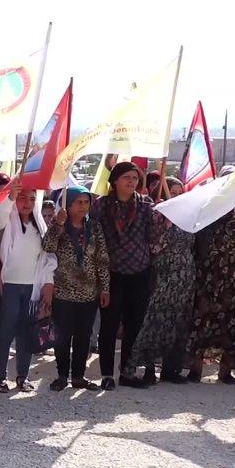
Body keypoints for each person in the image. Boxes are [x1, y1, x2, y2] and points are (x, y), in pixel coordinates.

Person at [89, 162, 160, 390]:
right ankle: (107, 374)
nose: (131, 182)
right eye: (127, 177)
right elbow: (93, 239)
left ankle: (128, 373)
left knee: (134, 325)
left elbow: (153, 237)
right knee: (109, 326)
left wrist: (160, 218)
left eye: (135, 178)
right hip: (111, 274)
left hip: (139, 272)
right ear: (115, 181)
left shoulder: (147, 206)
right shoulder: (101, 206)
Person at [0, 179, 55, 392]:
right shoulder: (8, 219)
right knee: (5, 332)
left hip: (32, 288)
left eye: (31, 199)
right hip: (9, 285)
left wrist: (48, 283)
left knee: (26, 332)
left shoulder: (40, 225)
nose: (27, 203)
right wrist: (10, 197)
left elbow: (47, 258)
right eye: (22, 197)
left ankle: (22, 376)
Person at [43, 186, 110, 391]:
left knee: (84, 336)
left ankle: (78, 377)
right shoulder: (59, 226)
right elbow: (47, 247)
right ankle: (62, 375)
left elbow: (102, 259)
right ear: (68, 204)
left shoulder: (94, 228)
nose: (83, 206)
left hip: (89, 292)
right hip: (63, 291)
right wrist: (58, 225)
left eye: (86, 202)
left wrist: (105, 288)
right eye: (78, 202)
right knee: (62, 336)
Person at [132, 178, 194, 384]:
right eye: (172, 192)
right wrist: (166, 226)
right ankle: (148, 367)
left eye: (179, 192)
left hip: (185, 277)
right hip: (164, 276)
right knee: (157, 322)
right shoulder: (156, 214)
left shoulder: (187, 216)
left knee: (179, 323)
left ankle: (171, 368)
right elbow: (154, 247)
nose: (176, 195)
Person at [188, 201, 235, 384]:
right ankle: (196, 369)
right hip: (210, 277)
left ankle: (225, 371)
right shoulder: (206, 217)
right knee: (203, 320)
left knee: (232, 322)